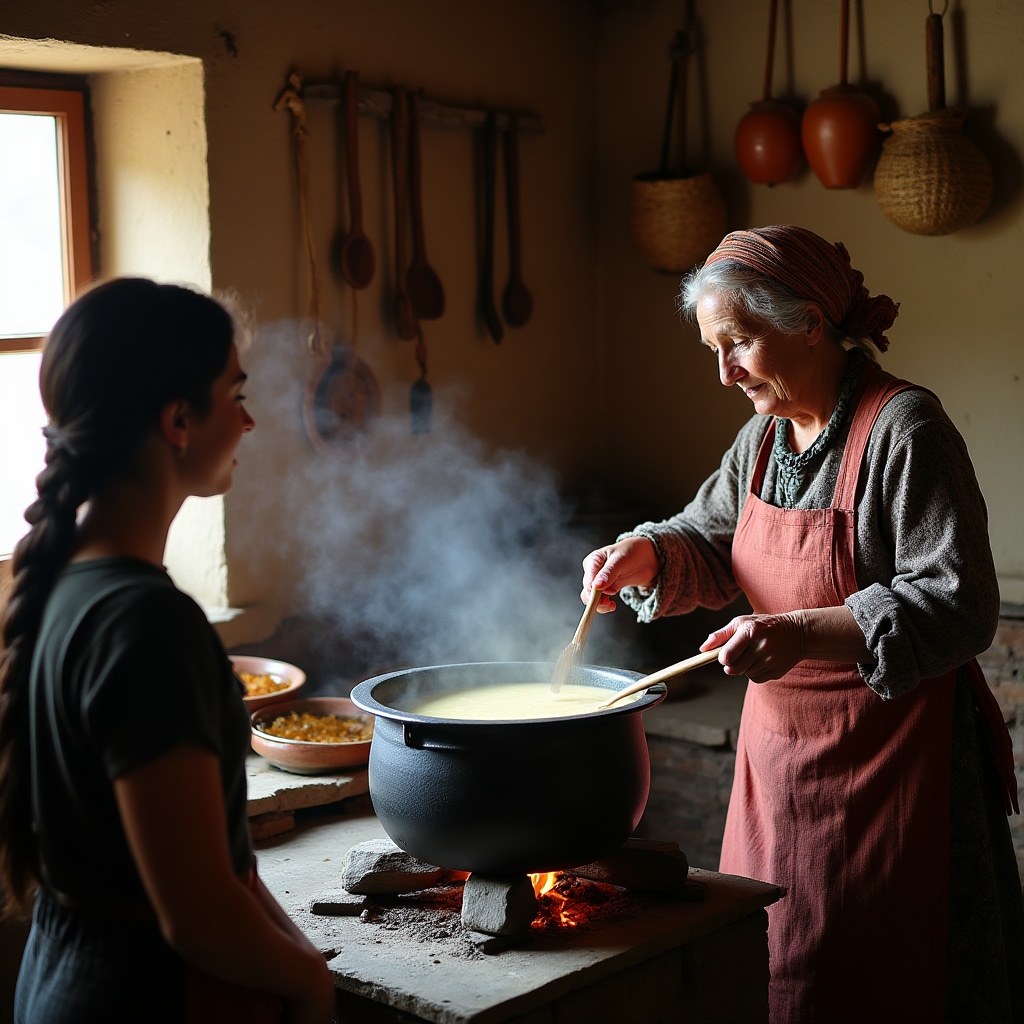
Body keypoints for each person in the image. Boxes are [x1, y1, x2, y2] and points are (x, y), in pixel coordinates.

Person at [582, 225, 1024, 1023]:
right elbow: (710, 538)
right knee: (780, 967)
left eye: (739, 343)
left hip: (898, 773)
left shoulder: (905, 429)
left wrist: (796, 634)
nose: (724, 373)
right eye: (713, 350)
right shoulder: (763, 438)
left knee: (890, 978)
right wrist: (645, 554)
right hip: (780, 769)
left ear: (810, 321)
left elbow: (960, 603)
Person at [0, 279, 335, 1023]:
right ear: (178, 419)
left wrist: (296, 950)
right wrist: (311, 985)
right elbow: (199, 918)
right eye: (235, 393)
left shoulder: (63, 582)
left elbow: (216, 869)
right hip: (141, 996)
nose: (248, 423)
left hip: (63, 975)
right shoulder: (147, 625)